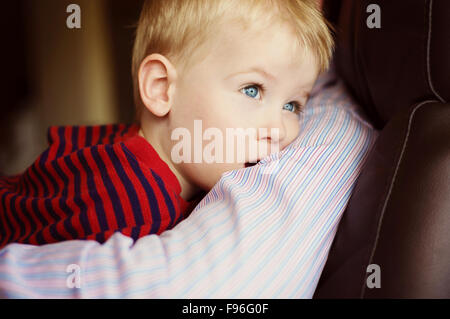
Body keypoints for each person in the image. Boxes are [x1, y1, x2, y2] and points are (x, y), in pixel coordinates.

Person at [0, 0, 333, 248]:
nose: (279, 130)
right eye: (252, 89)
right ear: (161, 89)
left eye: (293, 105)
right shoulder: (132, 211)